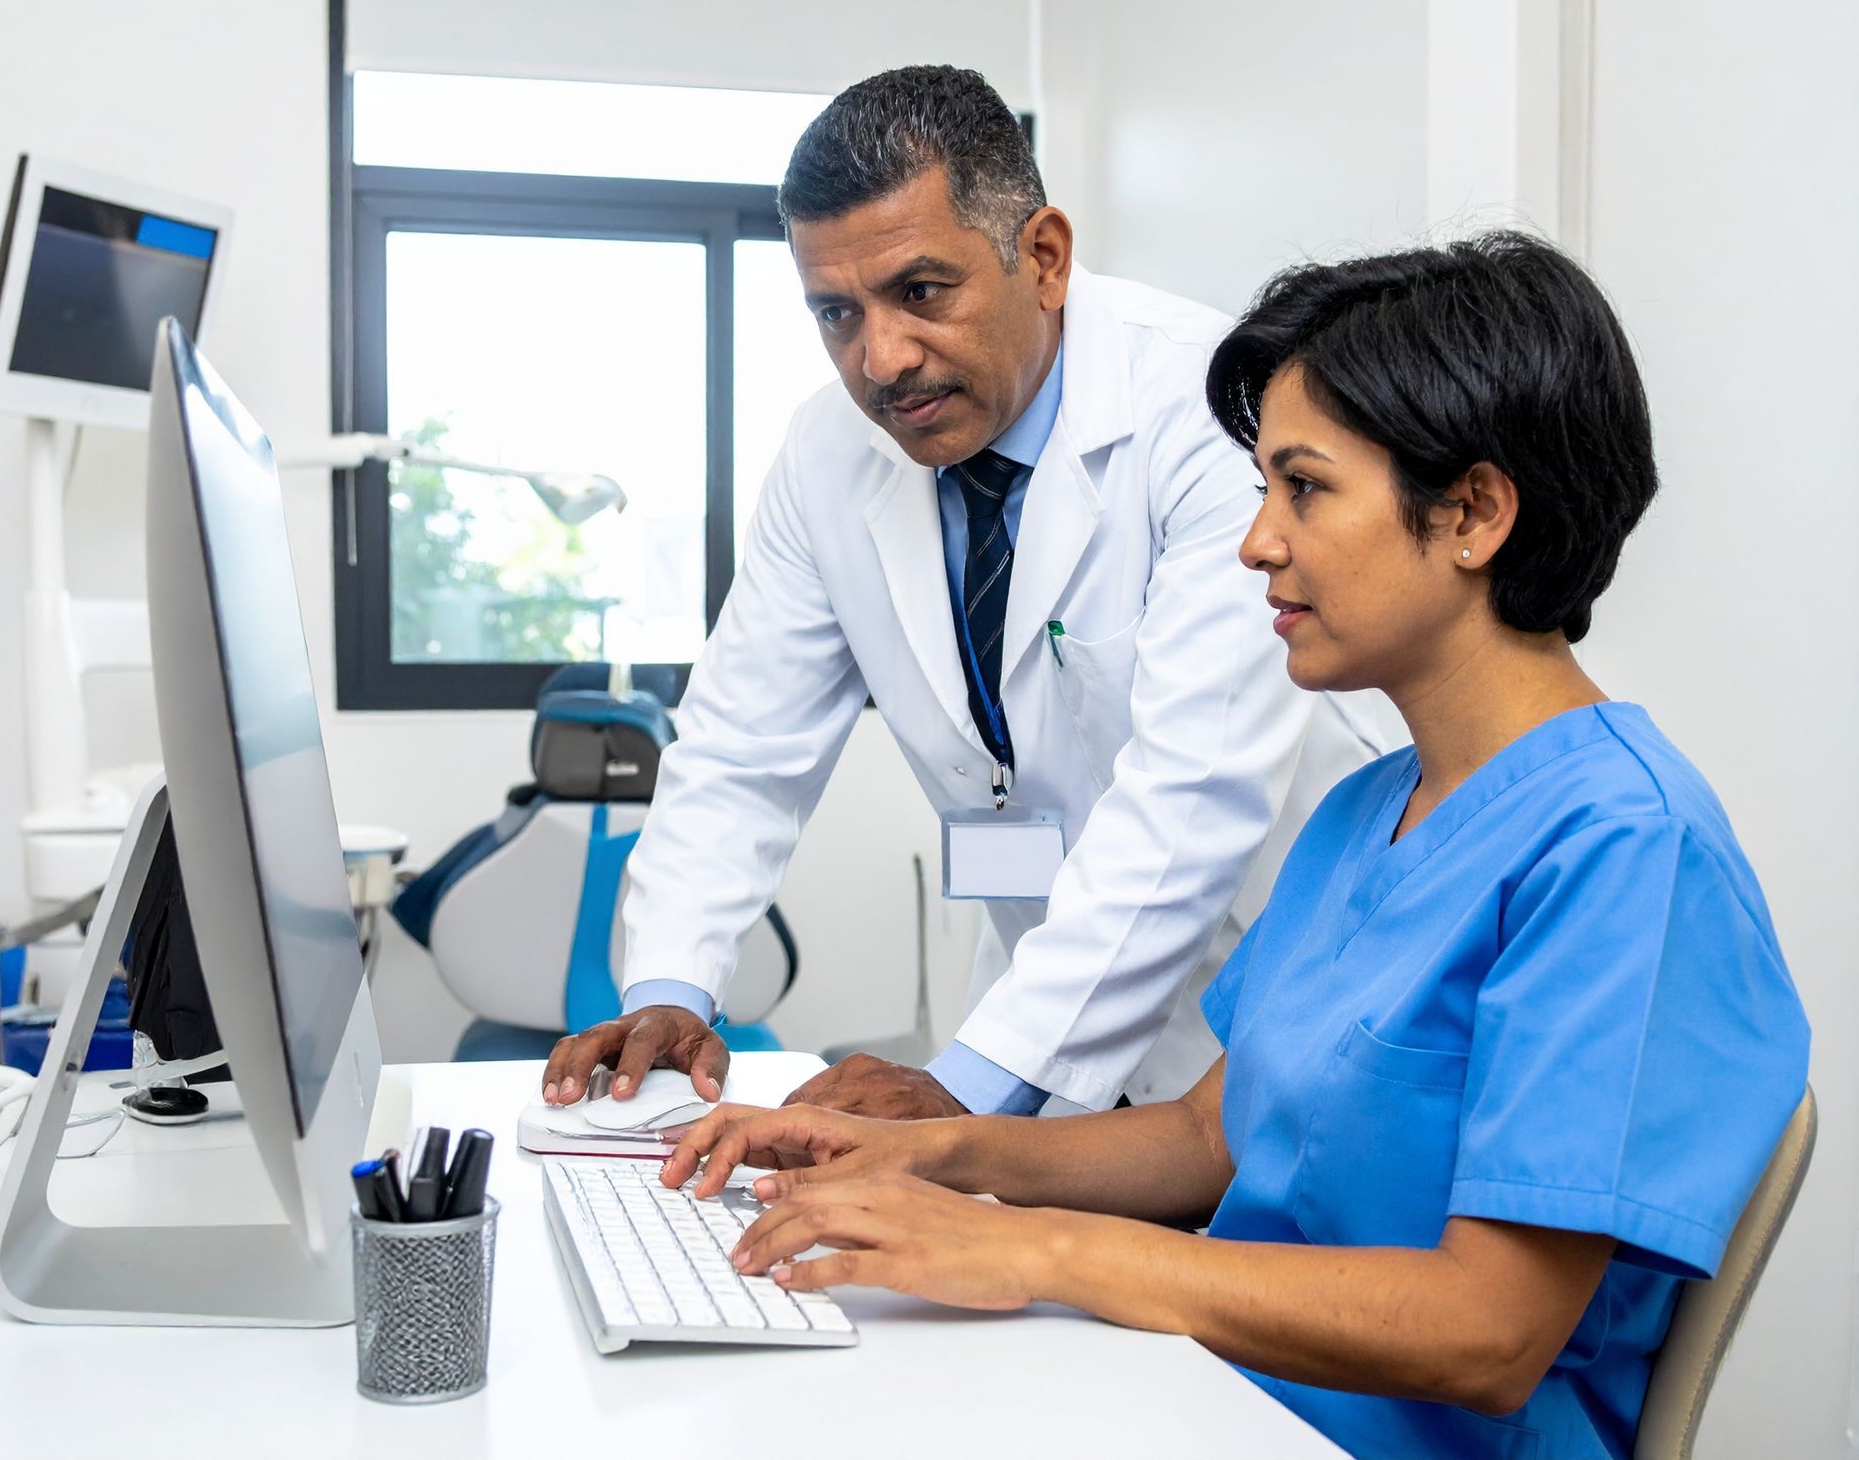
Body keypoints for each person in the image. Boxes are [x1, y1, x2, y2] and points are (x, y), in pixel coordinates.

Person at [655, 232, 1811, 1460]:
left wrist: (1037, 1248)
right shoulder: (1369, 811)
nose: (1254, 540)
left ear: (1472, 511)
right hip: (1214, 1399)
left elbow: (1488, 1331)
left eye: (1302, 488)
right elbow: (1212, 1134)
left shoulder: (1627, 851)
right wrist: (929, 1149)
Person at [541, 67, 1380, 1120]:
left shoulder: (1210, 409)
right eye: (835, 312)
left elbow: (1190, 797)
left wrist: (961, 1089)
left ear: (1044, 258)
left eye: (921, 293)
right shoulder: (828, 453)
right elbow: (741, 748)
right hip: (1038, 1006)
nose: (880, 357)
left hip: (1272, 993)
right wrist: (669, 984)